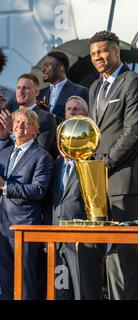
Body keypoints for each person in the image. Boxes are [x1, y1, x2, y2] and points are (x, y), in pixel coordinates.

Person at [0, 108, 53, 299]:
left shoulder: (42, 156)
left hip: (24, 228)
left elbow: (38, 190)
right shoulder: (2, 154)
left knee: (26, 285)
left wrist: (4, 185)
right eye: (17, 121)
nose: (20, 125)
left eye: (26, 123)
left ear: (35, 130)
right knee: (6, 286)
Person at [88, 30, 138, 300]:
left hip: (122, 180)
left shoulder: (132, 81)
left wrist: (105, 163)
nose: (98, 57)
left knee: (126, 256)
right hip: (96, 183)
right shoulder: (94, 87)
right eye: (94, 53)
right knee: (106, 254)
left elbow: (132, 131)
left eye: (103, 51)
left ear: (117, 50)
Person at [51, 96, 105, 300]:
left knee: (84, 293)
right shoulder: (55, 164)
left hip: (82, 243)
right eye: (68, 109)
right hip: (57, 243)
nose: (71, 112)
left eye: (77, 109)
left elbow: (98, 207)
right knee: (61, 292)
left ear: (86, 118)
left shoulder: (93, 161)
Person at [0, 74, 57, 155]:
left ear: (37, 92)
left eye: (26, 88)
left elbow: (38, 152)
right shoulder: (9, 116)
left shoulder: (45, 118)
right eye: (18, 88)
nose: (21, 92)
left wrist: (14, 131)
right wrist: (3, 138)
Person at [38, 51, 89, 124]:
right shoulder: (39, 94)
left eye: (47, 65)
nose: (43, 70)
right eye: (43, 66)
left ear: (60, 68)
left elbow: (82, 123)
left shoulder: (81, 91)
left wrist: (50, 116)